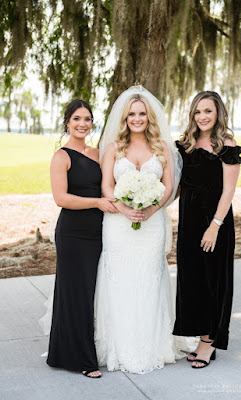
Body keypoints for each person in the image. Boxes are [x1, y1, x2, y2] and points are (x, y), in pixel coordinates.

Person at [94, 86, 191, 374]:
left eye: (142, 114)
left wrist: (151, 208)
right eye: (132, 114)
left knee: (149, 278)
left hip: (152, 224)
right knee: (119, 279)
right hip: (118, 225)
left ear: (149, 117)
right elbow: (106, 187)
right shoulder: (113, 147)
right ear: (124, 118)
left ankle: (153, 345)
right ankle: (117, 346)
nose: (137, 119)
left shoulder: (162, 147)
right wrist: (123, 208)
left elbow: (170, 187)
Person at [172, 91, 241, 368]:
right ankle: (202, 335)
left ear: (218, 114)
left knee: (214, 281)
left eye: (208, 111)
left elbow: (229, 191)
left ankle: (209, 342)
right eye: (198, 112)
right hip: (189, 223)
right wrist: (153, 205)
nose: (202, 117)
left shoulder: (226, 145)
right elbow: (177, 188)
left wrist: (214, 226)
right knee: (193, 281)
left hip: (216, 223)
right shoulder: (185, 146)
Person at [46, 99, 117, 378]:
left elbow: (107, 186)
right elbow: (60, 198)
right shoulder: (61, 157)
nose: (82, 124)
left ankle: (62, 353)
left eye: (87, 119)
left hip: (99, 231)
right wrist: (97, 202)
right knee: (76, 294)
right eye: (77, 119)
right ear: (67, 123)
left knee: (92, 291)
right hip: (73, 233)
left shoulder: (97, 152)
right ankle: (83, 360)